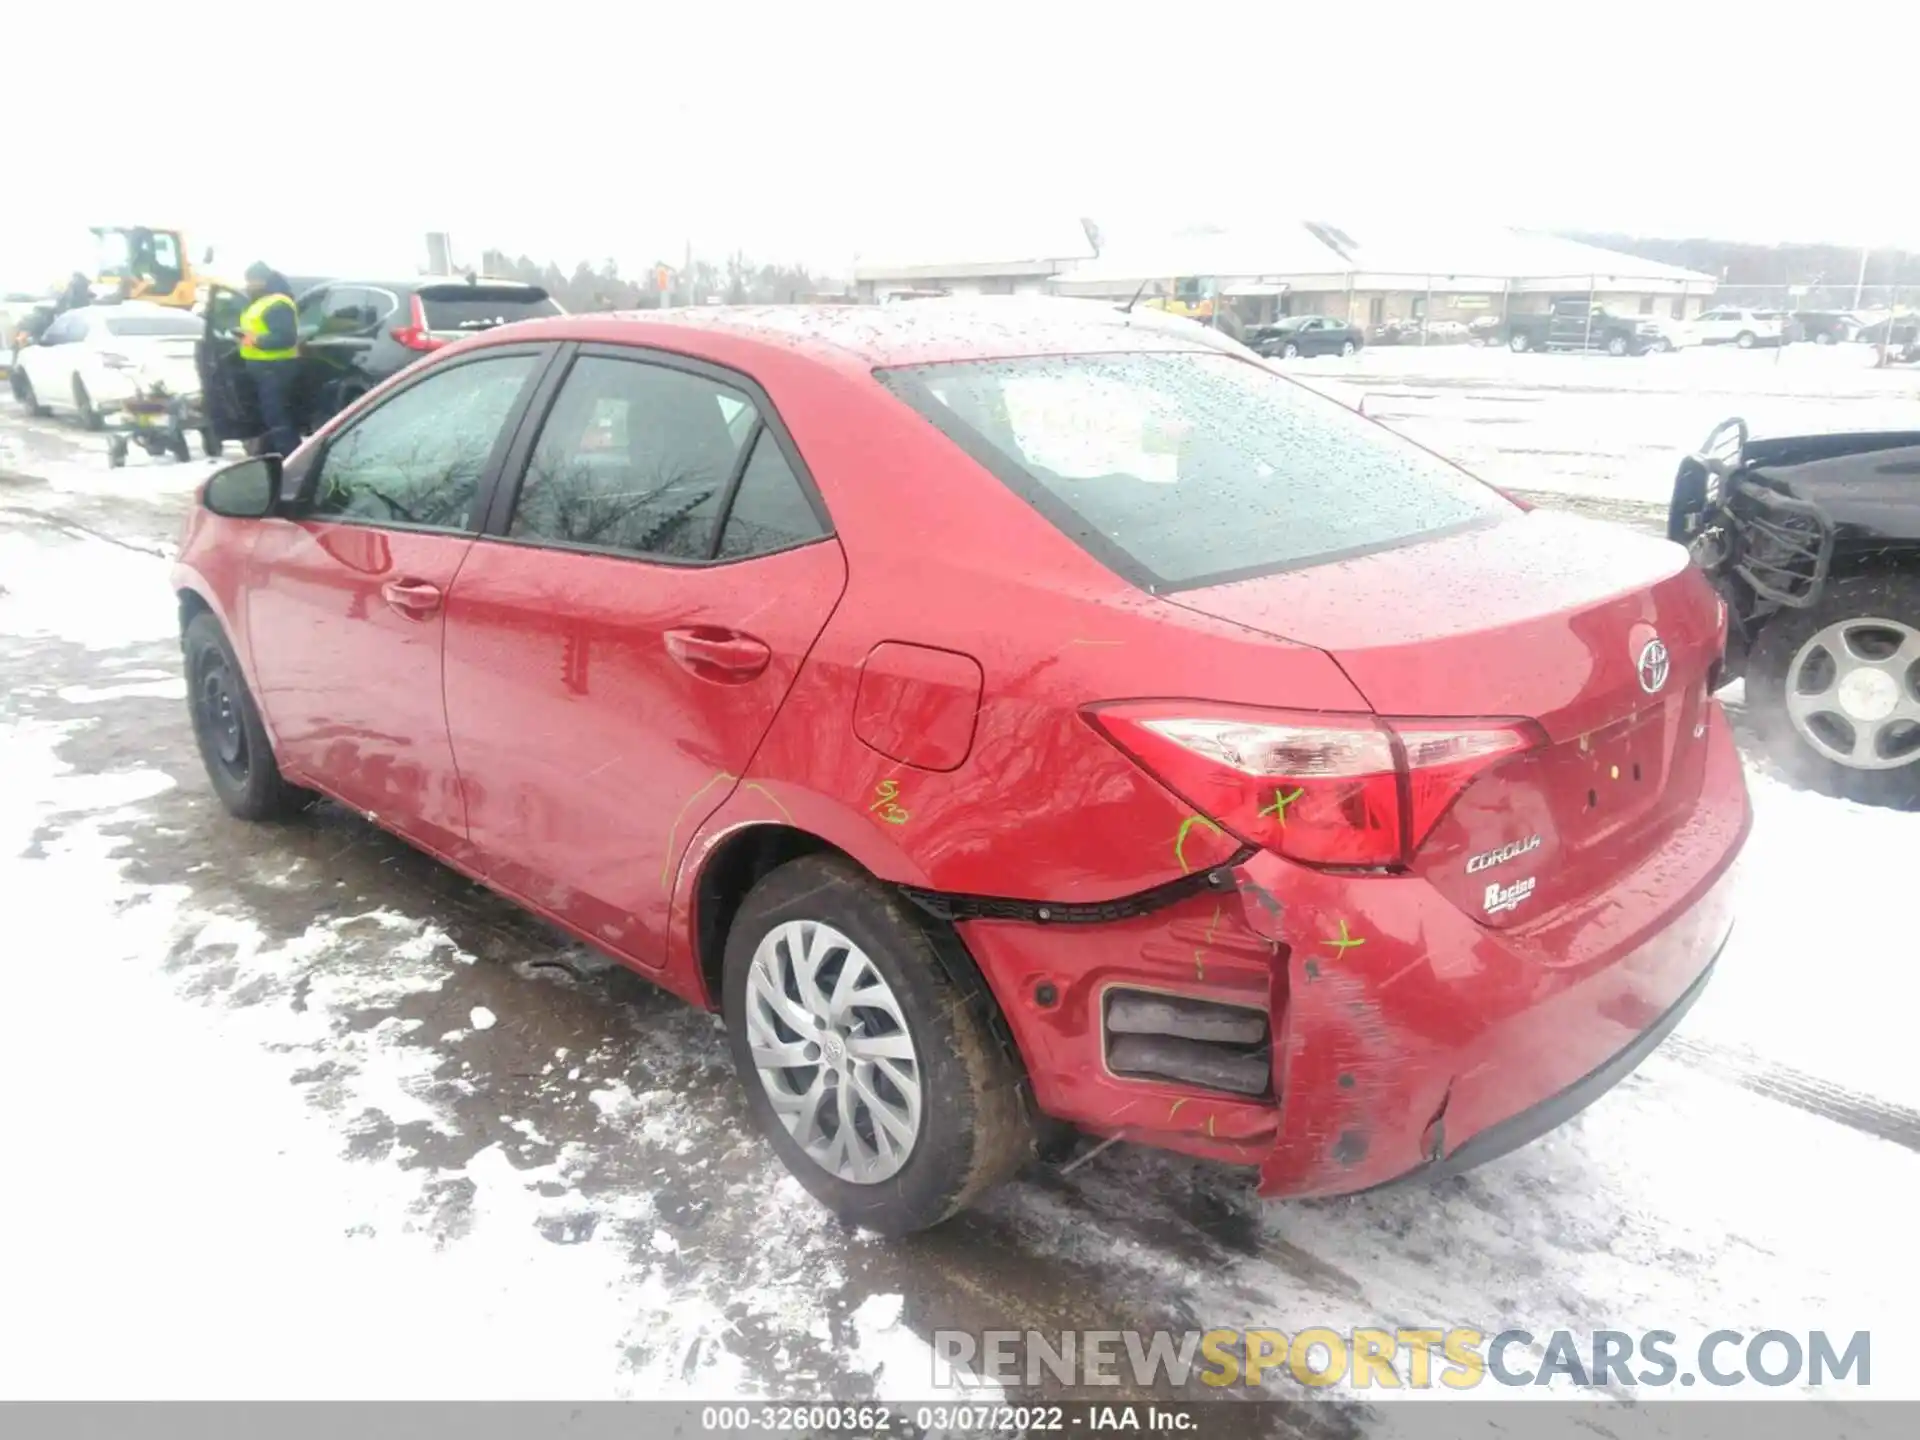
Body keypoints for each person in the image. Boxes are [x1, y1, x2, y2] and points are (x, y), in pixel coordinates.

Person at [237, 262, 301, 458]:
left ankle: (292, 459)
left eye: (251, 281)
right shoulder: (260, 302)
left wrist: (255, 340)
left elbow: (285, 338)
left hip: (275, 369)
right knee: (270, 418)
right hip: (263, 370)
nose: (248, 285)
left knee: (278, 419)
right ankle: (273, 455)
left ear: (263, 280)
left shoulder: (277, 303)